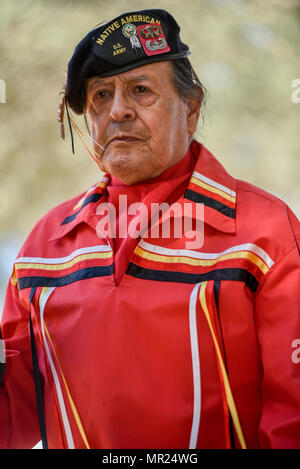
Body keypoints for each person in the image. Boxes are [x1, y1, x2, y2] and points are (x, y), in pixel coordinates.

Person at [1, 8, 300, 450]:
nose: (117, 111)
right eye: (101, 95)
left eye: (140, 90)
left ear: (191, 107)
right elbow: (15, 418)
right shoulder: (45, 248)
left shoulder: (265, 235)